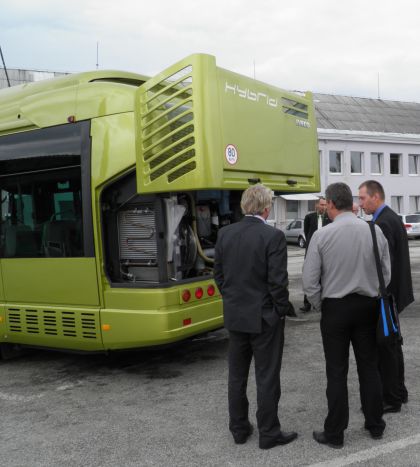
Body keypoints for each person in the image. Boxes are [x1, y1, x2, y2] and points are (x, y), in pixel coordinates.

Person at [303, 182, 390, 448]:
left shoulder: (322, 235)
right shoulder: (374, 231)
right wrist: (373, 294)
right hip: (367, 306)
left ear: (330, 204)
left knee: (337, 372)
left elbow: (309, 281)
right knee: (369, 367)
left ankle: (336, 433)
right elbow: (385, 274)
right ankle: (375, 424)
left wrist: (320, 304)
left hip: (335, 309)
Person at [214, 184, 297, 450]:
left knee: (236, 376)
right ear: (265, 207)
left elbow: (218, 275)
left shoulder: (225, 234)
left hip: (236, 316)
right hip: (264, 318)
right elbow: (277, 282)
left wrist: (231, 299)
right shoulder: (272, 236)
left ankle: (239, 428)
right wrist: (281, 310)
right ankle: (269, 432)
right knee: (267, 376)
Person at [359, 180, 414, 413]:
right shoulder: (390, 218)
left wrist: (379, 295)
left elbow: (384, 267)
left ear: (375, 197)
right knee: (393, 344)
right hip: (395, 294)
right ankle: (399, 392)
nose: (360, 204)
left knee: (386, 348)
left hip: (387, 296)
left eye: (362, 198)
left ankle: (391, 398)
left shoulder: (382, 223)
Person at [300, 197, 331, 312]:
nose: (324, 207)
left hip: (326, 252)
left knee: (324, 277)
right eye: (322, 205)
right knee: (309, 275)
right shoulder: (309, 217)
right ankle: (307, 303)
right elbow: (307, 233)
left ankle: (321, 301)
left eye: (325, 205)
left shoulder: (330, 218)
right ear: (316, 205)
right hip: (311, 252)